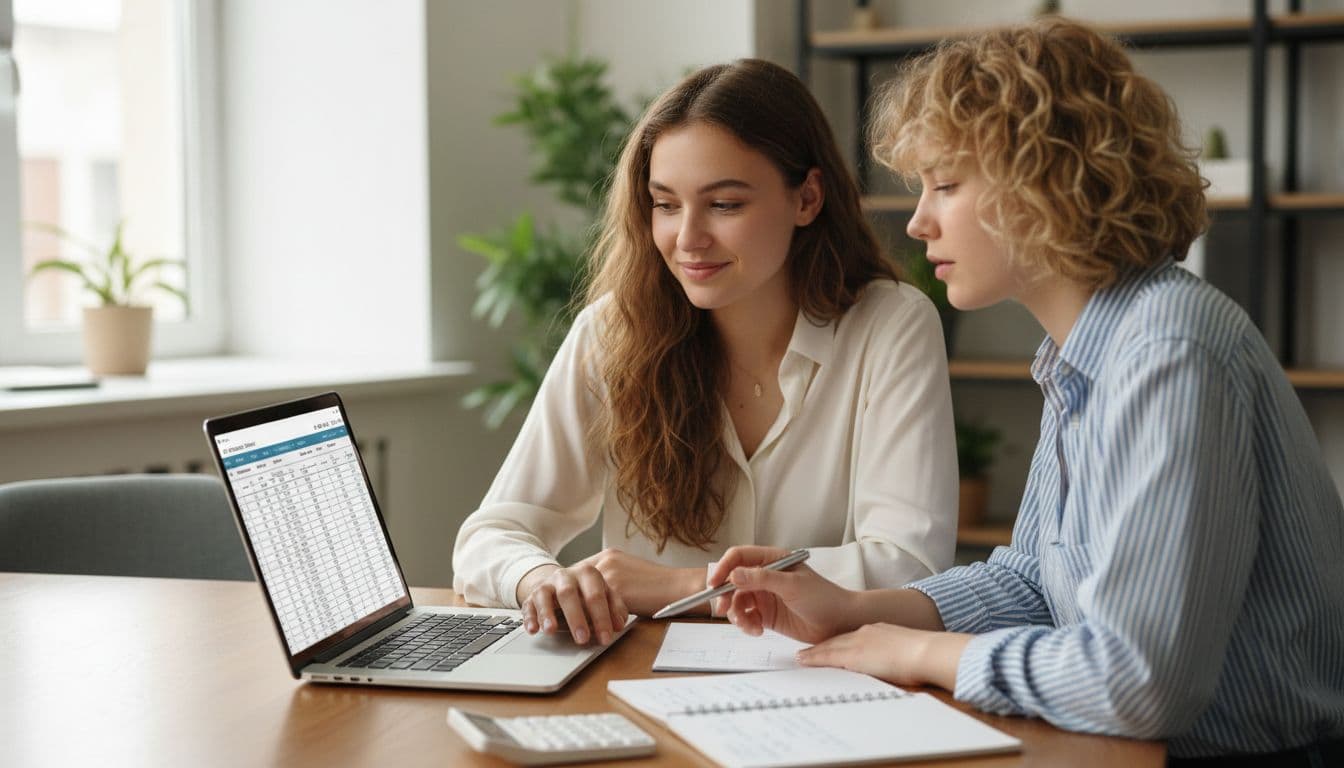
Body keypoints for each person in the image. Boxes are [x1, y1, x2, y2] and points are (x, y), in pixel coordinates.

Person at [709, 19, 1344, 765]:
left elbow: (1138, 682)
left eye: (946, 185)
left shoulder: (1169, 351)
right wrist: (854, 609)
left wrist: (918, 652)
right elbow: (1035, 581)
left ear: (1047, 181)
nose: (919, 221)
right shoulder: (1087, 350)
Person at [452, 58, 957, 648]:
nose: (687, 238)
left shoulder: (891, 325)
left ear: (807, 198)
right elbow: (490, 535)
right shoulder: (612, 332)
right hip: (639, 682)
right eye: (666, 205)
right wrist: (541, 580)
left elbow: (908, 566)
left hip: (823, 677)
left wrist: (685, 586)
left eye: (724, 205)